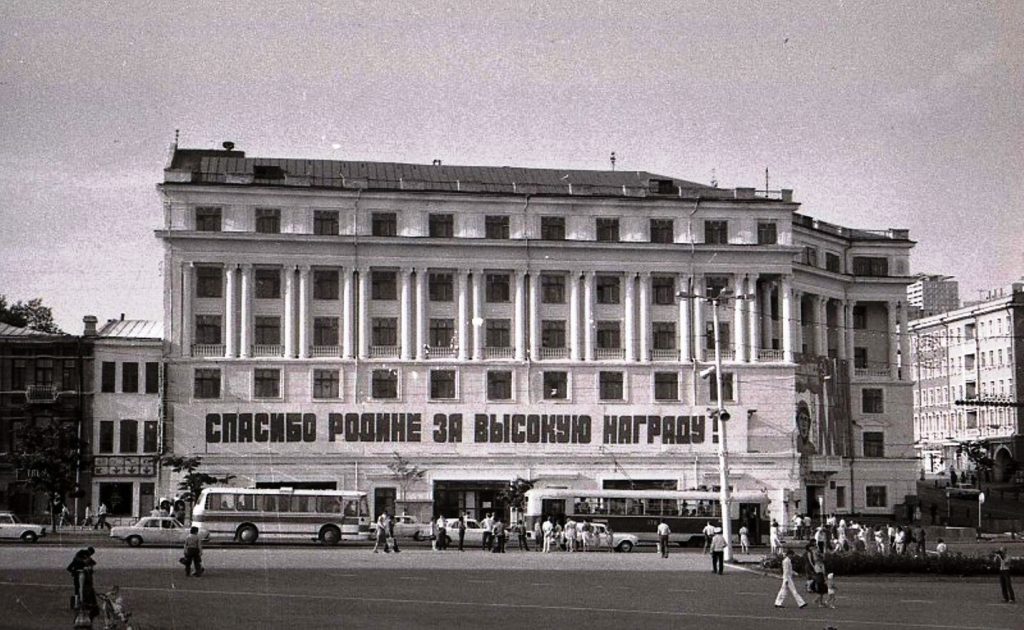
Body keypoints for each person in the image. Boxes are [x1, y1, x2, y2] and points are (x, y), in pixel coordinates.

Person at [67, 547, 98, 622]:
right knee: (81, 588)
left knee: (77, 589)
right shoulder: (83, 558)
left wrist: (73, 571)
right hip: (80, 575)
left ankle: (78, 602)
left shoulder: (77, 558)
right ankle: (81, 602)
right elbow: (91, 563)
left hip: (77, 575)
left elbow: (69, 567)